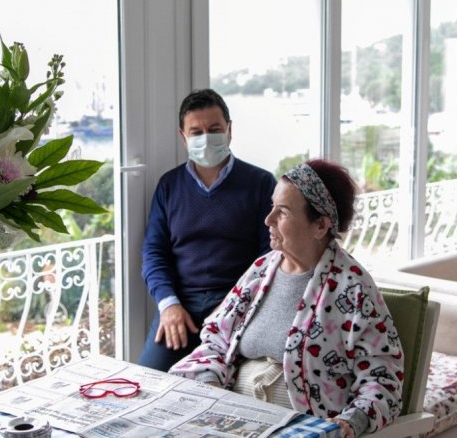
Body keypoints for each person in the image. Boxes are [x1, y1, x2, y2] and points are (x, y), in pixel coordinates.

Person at [169, 159, 404, 438]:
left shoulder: (353, 289)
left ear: (320, 226)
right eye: (272, 207)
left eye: (282, 212)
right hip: (233, 419)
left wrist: (350, 422)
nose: (268, 220)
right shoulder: (261, 270)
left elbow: (382, 380)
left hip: (301, 429)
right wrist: (211, 387)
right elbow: (217, 339)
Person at [139, 89, 276, 372]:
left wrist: (237, 306)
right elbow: (153, 254)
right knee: (148, 379)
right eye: (196, 132)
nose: (205, 138)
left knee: (222, 383)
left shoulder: (261, 183)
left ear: (229, 130)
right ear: (183, 136)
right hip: (181, 307)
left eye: (214, 130)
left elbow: (271, 256)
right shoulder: (169, 186)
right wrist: (168, 305)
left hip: (238, 304)